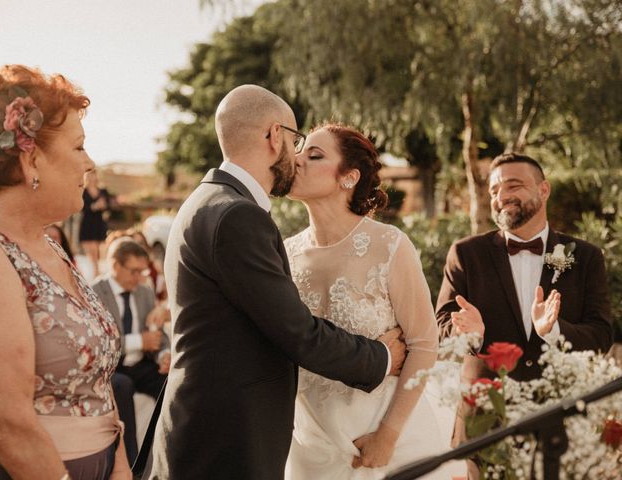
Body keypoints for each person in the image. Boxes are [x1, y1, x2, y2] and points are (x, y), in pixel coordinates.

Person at [143, 85, 407, 480]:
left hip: (214, 428)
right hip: (224, 441)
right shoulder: (236, 216)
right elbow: (297, 333)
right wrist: (381, 358)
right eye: (296, 140)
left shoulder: (207, 200)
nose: (297, 156)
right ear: (274, 135)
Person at [0, 65, 129, 479]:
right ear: (31, 159)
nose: (90, 163)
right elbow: (4, 423)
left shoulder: (49, 246)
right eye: (79, 147)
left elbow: (100, 382)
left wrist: (119, 468)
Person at [435, 152, 613, 478]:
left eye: (513, 185)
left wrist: (554, 331)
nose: (501, 196)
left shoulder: (586, 257)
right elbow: (440, 325)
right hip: (485, 421)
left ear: (543, 190)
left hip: (563, 419)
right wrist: (467, 333)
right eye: (493, 191)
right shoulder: (465, 253)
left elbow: (602, 335)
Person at [284, 124, 441, 479]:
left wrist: (388, 435)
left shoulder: (389, 245)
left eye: (315, 155)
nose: (297, 160)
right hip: (310, 444)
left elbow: (424, 344)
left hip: (386, 441)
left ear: (349, 177)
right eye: (300, 151)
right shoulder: (285, 253)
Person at [91, 239, 171, 465]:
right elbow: (98, 341)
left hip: (141, 364)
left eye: (142, 271)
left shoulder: (144, 292)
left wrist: (163, 354)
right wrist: (139, 341)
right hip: (111, 367)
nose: (139, 277)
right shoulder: (94, 292)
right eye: (134, 271)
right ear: (115, 265)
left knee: (172, 380)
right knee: (122, 385)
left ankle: (167, 453)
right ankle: (131, 464)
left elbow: (157, 334)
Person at [80, 169, 112, 279]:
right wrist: (93, 207)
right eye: (87, 175)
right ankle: (95, 273)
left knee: (101, 250)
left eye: (92, 175)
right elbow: (80, 207)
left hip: (99, 223)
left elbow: (109, 205)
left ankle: (98, 271)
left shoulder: (103, 191)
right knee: (91, 250)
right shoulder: (82, 191)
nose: (90, 177)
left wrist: (103, 206)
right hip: (88, 222)